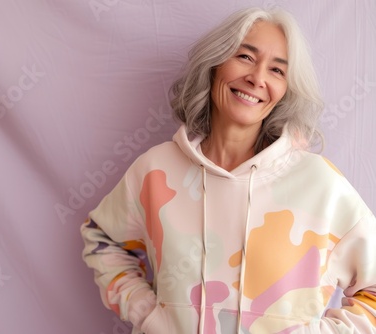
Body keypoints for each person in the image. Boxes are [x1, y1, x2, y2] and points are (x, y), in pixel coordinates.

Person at [81, 6, 376, 334]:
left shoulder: (320, 184)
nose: (258, 78)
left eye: (277, 71)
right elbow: (102, 238)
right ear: (215, 64)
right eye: (245, 57)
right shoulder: (155, 169)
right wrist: (147, 314)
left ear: (285, 91)